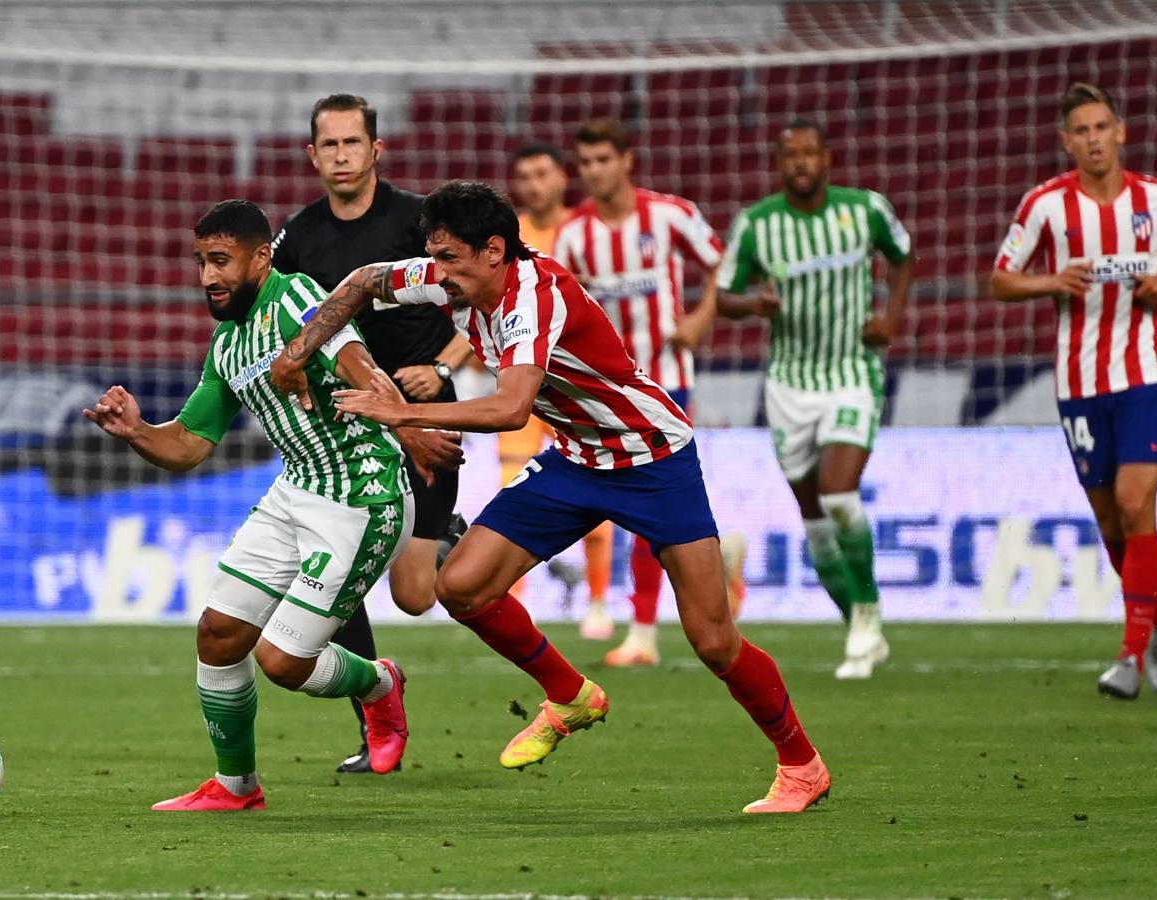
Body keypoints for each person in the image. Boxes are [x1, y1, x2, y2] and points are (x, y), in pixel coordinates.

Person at [270, 180, 831, 814]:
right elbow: (364, 280)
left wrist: (402, 414)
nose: (439, 274)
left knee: (712, 640)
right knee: (460, 585)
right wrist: (298, 353)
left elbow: (511, 408)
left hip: (653, 457)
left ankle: (801, 765)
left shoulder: (535, 297)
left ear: (494, 250)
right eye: (435, 257)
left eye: (451, 258)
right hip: (576, 459)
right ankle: (570, 696)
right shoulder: (447, 277)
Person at [83, 200, 420, 811]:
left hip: (363, 495)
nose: (208, 276)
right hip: (297, 489)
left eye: (221, 260)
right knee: (217, 634)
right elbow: (188, 445)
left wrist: (408, 423)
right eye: (200, 262)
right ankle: (236, 787)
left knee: (284, 662)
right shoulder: (228, 344)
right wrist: (136, 431)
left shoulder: (296, 299)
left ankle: (379, 683)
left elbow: (363, 369)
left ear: (261, 257)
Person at [990, 83, 1157, 699]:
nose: (1092, 139)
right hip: (1079, 380)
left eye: (1101, 127)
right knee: (1114, 524)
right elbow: (1000, 281)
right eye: (1080, 131)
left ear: (1121, 132)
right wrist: (1049, 282)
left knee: (1137, 500)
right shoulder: (1044, 206)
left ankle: (1130, 655)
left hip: (1145, 370)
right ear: (1067, 143)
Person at [271, 94, 470, 772]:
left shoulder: (418, 221)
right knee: (338, 579)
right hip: (349, 432)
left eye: (353, 142)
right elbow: (280, 320)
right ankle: (375, 728)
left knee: (415, 597)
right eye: (328, 145)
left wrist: (440, 366)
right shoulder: (297, 239)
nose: (341, 155)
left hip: (424, 415)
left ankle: (448, 537)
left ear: (376, 149)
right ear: (312, 155)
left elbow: (482, 293)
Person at [717, 118, 913, 680]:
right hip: (788, 384)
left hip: (851, 372)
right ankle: (859, 626)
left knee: (840, 496)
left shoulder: (866, 210)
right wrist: (756, 304)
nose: (801, 162)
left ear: (827, 158)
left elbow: (903, 257)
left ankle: (868, 612)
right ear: (780, 164)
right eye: (790, 155)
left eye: (809, 153)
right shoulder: (758, 225)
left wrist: (890, 319)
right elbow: (724, 295)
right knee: (816, 524)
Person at [551, 119, 741, 667]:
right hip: (607, 393)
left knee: (648, 504)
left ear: (627, 160)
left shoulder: (671, 215)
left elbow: (724, 262)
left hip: (668, 381)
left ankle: (642, 632)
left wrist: (702, 317)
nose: (594, 172)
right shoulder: (574, 234)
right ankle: (714, 565)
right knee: (632, 506)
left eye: (603, 159)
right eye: (585, 163)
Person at [502, 142, 614, 621]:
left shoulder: (584, 230)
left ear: (561, 178)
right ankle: (514, 603)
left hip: (578, 385)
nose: (533, 184)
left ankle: (597, 603)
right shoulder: (507, 235)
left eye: (542, 173)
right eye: (524, 176)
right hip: (522, 385)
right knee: (512, 492)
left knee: (600, 488)